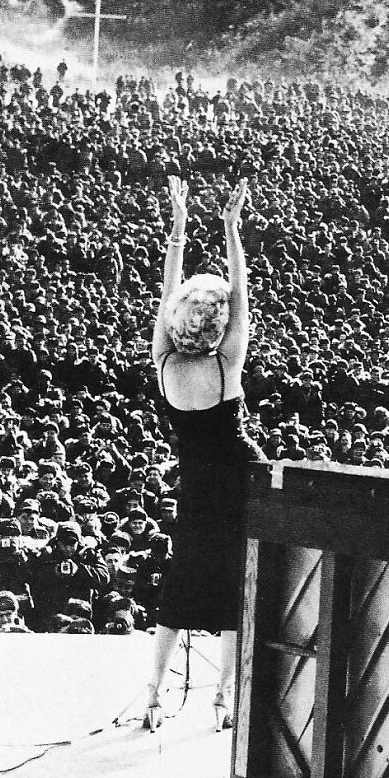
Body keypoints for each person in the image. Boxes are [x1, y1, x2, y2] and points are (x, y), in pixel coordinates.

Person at [145, 175, 265, 732]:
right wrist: (231, 228)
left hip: (194, 486)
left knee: (182, 580)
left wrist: (178, 224)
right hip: (240, 479)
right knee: (236, 583)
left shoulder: (165, 364)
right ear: (217, 324)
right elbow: (242, 295)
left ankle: (151, 697)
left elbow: (169, 292)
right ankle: (224, 700)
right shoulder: (228, 364)